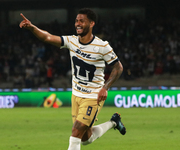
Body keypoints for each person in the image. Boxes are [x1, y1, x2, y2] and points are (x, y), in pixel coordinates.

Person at [19, 8, 126, 150]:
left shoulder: (102, 46)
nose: (78, 23)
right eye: (76, 21)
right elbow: (47, 37)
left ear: (92, 23)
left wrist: (105, 87)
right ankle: (114, 122)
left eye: (82, 21)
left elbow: (118, 67)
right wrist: (32, 27)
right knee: (85, 138)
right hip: (76, 95)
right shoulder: (71, 41)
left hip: (93, 97)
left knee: (75, 132)